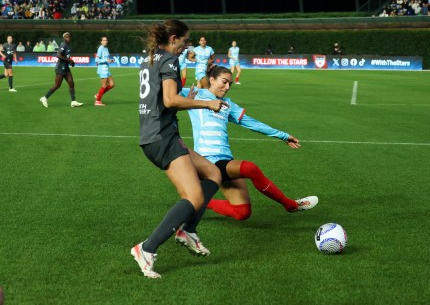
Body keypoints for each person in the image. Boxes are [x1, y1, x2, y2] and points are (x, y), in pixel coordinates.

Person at [131, 19, 227, 279]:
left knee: (213, 173)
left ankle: (188, 231)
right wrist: (208, 105)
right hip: (162, 137)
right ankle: (146, 248)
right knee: (194, 197)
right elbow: (170, 99)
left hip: (155, 135)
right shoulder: (170, 60)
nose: (187, 46)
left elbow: (163, 95)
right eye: (185, 41)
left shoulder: (151, 58)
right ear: (173, 39)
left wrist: (189, 95)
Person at [181, 66, 318, 221]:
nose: (227, 87)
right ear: (211, 80)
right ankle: (290, 204)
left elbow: (252, 123)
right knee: (249, 168)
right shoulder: (194, 94)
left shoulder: (228, 105)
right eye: (224, 82)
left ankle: (200, 202)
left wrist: (283, 136)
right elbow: (168, 97)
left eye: (230, 84)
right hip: (207, 161)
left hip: (225, 160)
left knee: (242, 212)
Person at [39, 32, 83, 107]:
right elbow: (58, 55)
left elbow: (66, 57)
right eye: (66, 37)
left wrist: (71, 62)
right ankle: (45, 98)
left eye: (69, 37)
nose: (68, 38)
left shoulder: (68, 46)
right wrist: (69, 60)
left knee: (71, 83)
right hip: (60, 68)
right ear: (63, 38)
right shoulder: (63, 44)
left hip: (66, 67)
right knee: (57, 85)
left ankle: (73, 101)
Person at [94, 36, 115, 106]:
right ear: (101, 42)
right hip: (102, 69)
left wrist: (110, 60)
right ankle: (97, 101)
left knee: (112, 84)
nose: (105, 41)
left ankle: (99, 94)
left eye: (106, 40)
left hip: (107, 68)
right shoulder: (100, 49)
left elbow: (107, 58)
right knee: (104, 85)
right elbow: (96, 60)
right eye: (104, 40)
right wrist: (105, 60)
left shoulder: (106, 49)